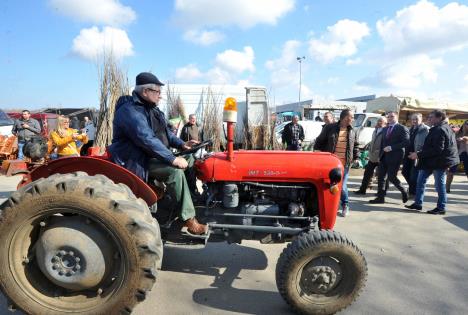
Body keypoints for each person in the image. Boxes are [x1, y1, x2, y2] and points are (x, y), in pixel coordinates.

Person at [109, 72, 206, 235]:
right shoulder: (130, 111)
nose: (160, 96)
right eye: (157, 92)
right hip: (136, 159)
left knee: (190, 159)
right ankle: (188, 218)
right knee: (174, 172)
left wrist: (182, 144)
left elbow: (166, 133)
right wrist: (172, 159)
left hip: (152, 155)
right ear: (146, 92)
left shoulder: (152, 110)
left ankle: (192, 198)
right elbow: (146, 138)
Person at [405, 110, 459, 214]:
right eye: (429, 117)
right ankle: (417, 203)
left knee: (439, 185)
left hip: (440, 162)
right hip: (430, 161)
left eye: (431, 117)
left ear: (439, 118)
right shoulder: (438, 128)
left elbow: (437, 149)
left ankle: (441, 207)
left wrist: (418, 154)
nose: (429, 119)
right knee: (420, 181)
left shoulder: (441, 129)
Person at [314, 109, 359, 217]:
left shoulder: (353, 130)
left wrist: (356, 157)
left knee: (342, 186)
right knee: (329, 185)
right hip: (330, 164)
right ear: (344, 117)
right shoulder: (330, 128)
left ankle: (345, 205)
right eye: (351, 117)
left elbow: (356, 145)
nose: (352, 119)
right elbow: (319, 140)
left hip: (345, 164)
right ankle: (327, 206)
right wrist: (317, 151)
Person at [370, 111, 409, 204]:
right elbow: (382, 143)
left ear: (397, 117)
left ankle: (403, 190)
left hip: (395, 157)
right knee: (381, 177)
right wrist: (380, 156)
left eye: (392, 116)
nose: (390, 118)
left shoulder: (402, 128)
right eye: (388, 117)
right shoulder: (385, 129)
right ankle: (380, 198)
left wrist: (392, 148)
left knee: (392, 177)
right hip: (384, 157)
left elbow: (406, 142)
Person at [354, 116, 387, 195]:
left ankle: (381, 193)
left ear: (385, 124)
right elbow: (373, 142)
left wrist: (379, 152)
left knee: (381, 176)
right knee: (367, 173)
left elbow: (385, 145)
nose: (378, 123)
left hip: (381, 157)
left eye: (381, 121)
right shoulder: (375, 130)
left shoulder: (386, 132)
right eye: (378, 121)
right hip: (372, 156)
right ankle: (362, 190)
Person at [401, 113, 429, 195]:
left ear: (421, 119)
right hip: (408, 154)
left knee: (413, 176)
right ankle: (414, 188)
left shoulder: (426, 129)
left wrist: (419, 153)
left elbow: (428, 144)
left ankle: (413, 191)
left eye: (416, 119)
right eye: (413, 119)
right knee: (404, 172)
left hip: (417, 155)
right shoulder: (410, 129)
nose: (414, 121)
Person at [446, 120, 468, 191]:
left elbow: (466, 139)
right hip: (457, 153)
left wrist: (465, 139)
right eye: (466, 124)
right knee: (451, 171)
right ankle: (447, 187)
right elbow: (452, 142)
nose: (466, 126)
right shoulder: (458, 133)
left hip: (466, 154)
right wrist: (457, 140)